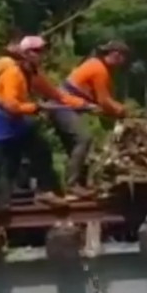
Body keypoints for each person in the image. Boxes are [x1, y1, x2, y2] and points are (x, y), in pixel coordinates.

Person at [0, 35, 78, 223]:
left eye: (42, 51)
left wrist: (81, 104)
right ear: (25, 54)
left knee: (41, 151)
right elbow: (10, 105)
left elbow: (55, 94)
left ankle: (46, 191)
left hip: (17, 124)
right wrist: (36, 107)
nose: (41, 55)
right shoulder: (12, 73)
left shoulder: (33, 73)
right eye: (36, 51)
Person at [53, 40, 131, 195]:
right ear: (115, 54)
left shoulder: (102, 70)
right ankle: (72, 184)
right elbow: (104, 101)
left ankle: (79, 185)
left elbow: (103, 102)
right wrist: (122, 110)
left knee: (77, 146)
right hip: (62, 106)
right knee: (84, 139)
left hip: (67, 106)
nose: (124, 62)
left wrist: (113, 115)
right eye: (123, 57)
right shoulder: (98, 69)